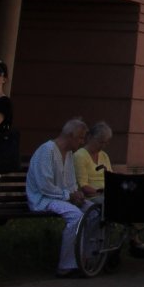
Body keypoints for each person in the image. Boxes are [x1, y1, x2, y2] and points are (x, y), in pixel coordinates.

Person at [26, 118, 89, 276]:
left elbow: (70, 182)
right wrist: (69, 195)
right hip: (42, 199)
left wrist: (77, 194)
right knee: (76, 216)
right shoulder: (46, 150)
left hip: (60, 198)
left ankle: (86, 257)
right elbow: (45, 185)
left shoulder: (68, 154)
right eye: (80, 138)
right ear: (70, 135)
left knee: (92, 211)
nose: (82, 142)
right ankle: (66, 266)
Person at [73, 121, 113, 197]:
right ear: (90, 137)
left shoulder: (104, 155)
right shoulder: (80, 156)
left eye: (106, 143)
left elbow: (111, 178)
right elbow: (83, 186)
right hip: (91, 197)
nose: (103, 146)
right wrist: (102, 192)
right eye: (100, 142)